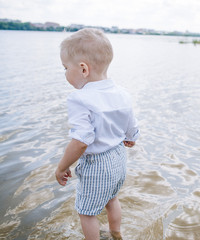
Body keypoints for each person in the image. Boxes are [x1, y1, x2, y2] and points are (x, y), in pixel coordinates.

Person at [55, 28, 139, 240]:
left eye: (65, 68)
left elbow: (81, 141)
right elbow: (131, 124)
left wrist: (62, 167)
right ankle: (116, 233)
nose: (65, 73)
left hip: (97, 164)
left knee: (87, 212)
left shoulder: (79, 98)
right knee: (112, 199)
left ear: (83, 69)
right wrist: (131, 137)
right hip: (119, 157)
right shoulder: (122, 93)